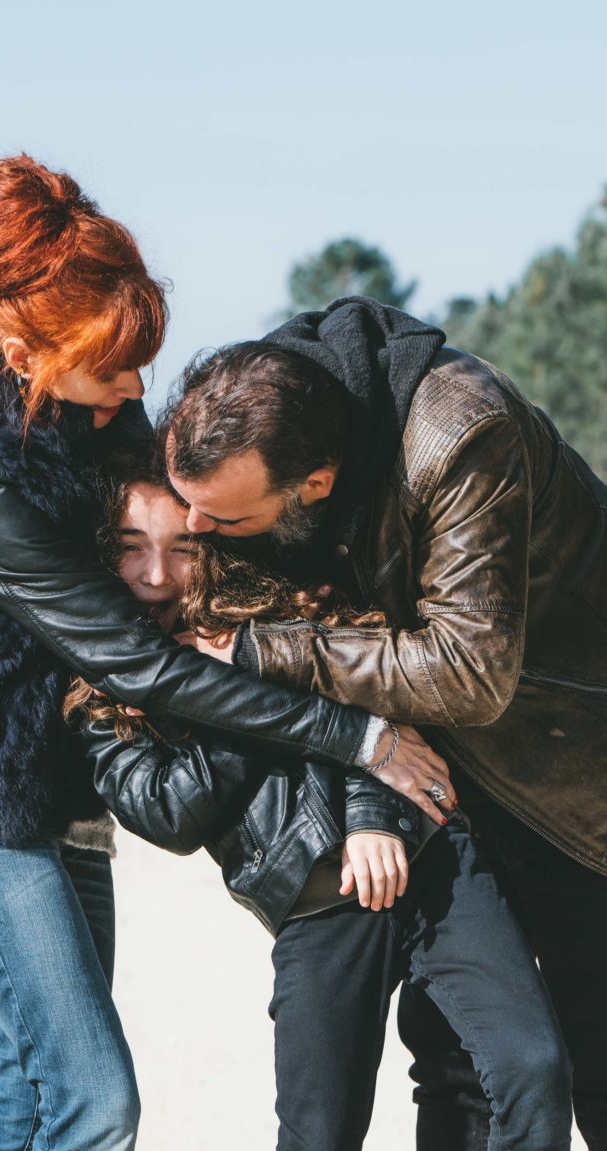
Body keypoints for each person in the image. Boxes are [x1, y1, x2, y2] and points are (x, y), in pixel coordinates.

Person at [0, 160, 445, 1151]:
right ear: (25, 349)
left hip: (61, 803)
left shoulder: (90, 413)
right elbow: (140, 664)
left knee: (33, 1093)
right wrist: (355, 734)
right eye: (115, 367)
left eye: (144, 358)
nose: (139, 387)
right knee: (94, 1099)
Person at [159, 295, 607, 1151]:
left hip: (564, 768)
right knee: (463, 1066)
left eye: (221, 518)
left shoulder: (459, 433)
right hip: (446, 777)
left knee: (591, 1053)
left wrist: (263, 650)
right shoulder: (264, 414)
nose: (195, 531)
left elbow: (470, 671)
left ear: (316, 485)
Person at [64, 461, 571, 1151]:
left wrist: (370, 816)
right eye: (130, 545)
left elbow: (368, 687)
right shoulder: (99, 691)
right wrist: (219, 690)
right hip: (316, 902)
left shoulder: (269, 601)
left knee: (527, 1071)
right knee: (318, 1136)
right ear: (99, 551)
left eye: (181, 547)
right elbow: (170, 813)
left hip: (427, 851)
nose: (156, 573)